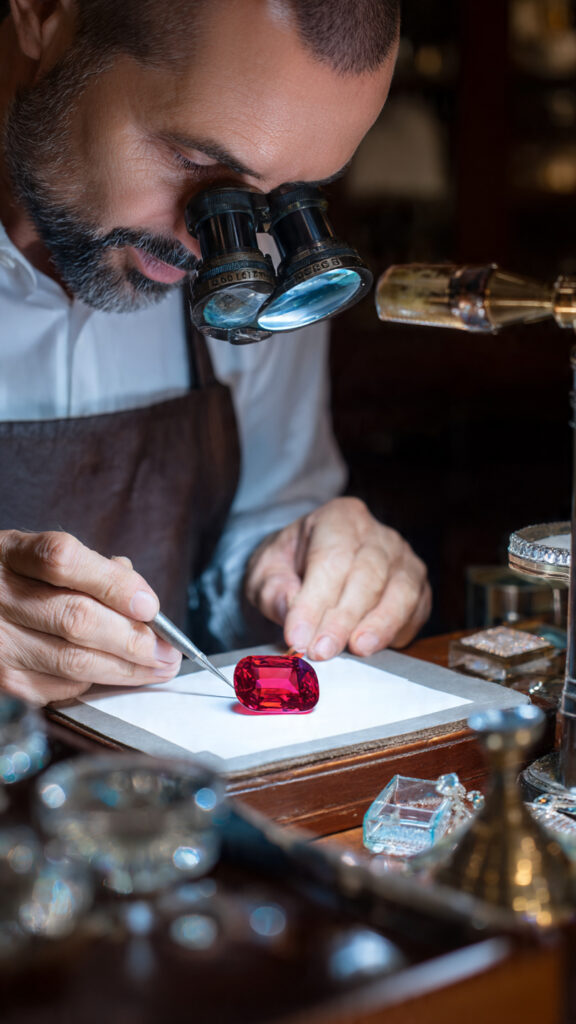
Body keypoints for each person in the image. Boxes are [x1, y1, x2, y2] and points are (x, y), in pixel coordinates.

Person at [0, 0, 431, 706]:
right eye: (196, 161)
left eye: (283, 197)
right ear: (44, 14)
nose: (214, 247)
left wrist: (289, 564)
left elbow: (255, 525)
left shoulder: (255, 277)